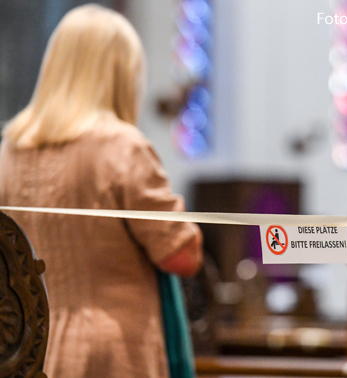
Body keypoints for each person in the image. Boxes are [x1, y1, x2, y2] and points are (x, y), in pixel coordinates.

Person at [0, 4, 203, 378]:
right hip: (113, 352)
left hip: (30, 348)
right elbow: (181, 256)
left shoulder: (10, 150)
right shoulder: (121, 147)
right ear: (121, 74)